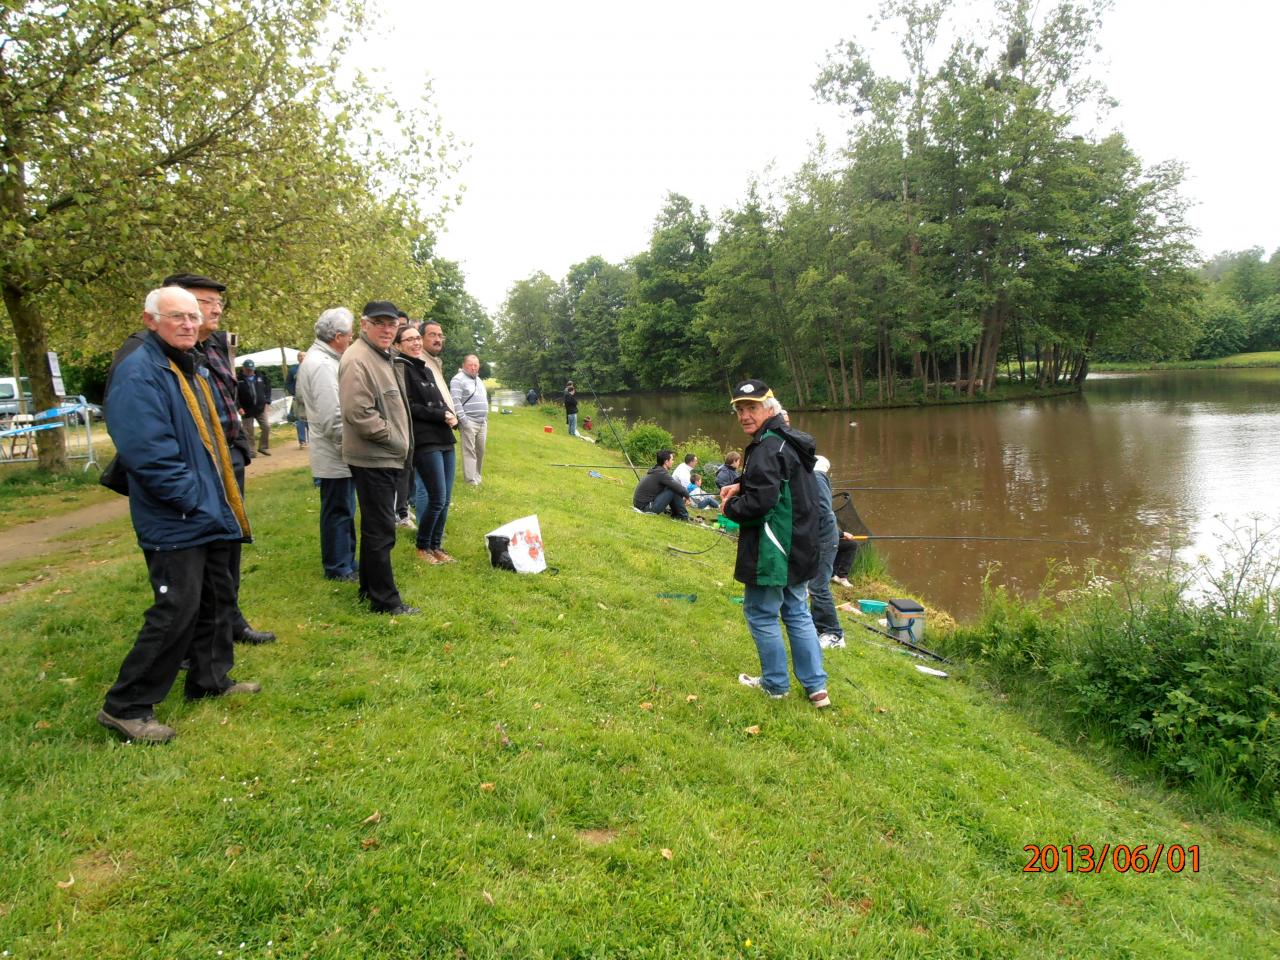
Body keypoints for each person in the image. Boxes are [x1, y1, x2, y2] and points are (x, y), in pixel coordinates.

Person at [97, 286, 260, 743]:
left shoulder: (192, 366)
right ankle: (126, 705)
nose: (189, 324)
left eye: (193, 316)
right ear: (151, 321)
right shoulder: (140, 373)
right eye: (176, 317)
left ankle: (209, 680)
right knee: (176, 609)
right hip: (178, 516)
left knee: (214, 599)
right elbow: (149, 456)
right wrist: (194, 500)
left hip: (209, 509)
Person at [164, 271, 275, 646]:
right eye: (203, 302)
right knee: (196, 557)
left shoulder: (213, 347)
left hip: (228, 458)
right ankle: (191, 638)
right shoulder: (170, 353)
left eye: (217, 303)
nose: (213, 310)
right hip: (195, 466)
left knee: (228, 546)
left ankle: (230, 621)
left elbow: (230, 401)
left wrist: (241, 448)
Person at [719, 379, 829, 708]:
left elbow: (761, 504)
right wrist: (741, 484)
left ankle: (775, 685)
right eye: (740, 409)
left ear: (769, 408)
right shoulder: (786, 440)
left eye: (751, 408)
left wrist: (729, 507)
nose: (744, 415)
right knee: (796, 611)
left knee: (760, 613)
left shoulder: (767, 447)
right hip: (800, 545)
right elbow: (779, 482)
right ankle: (816, 688)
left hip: (774, 550)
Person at [338, 300, 418, 615]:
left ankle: (368, 589)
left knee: (375, 526)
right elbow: (358, 413)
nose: (387, 329)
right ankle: (385, 602)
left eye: (392, 324)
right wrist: (395, 441)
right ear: (364, 324)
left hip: (383, 457)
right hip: (375, 457)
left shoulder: (381, 356)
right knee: (382, 530)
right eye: (380, 322)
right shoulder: (358, 359)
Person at [296, 308, 357, 582]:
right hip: (335, 454)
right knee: (337, 510)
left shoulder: (325, 359)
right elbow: (332, 416)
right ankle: (338, 567)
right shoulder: (321, 364)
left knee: (344, 508)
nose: (352, 339)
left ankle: (346, 561)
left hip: (337, 453)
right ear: (337, 336)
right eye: (350, 335)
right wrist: (351, 448)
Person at [398, 321, 459, 563]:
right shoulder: (400, 369)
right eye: (409, 339)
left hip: (444, 436)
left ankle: (437, 546)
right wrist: (439, 414)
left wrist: (452, 416)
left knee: (444, 499)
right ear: (398, 345)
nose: (415, 343)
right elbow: (408, 406)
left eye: (416, 339)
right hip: (425, 440)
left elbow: (439, 400)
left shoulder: (426, 368)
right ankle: (423, 547)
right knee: (435, 496)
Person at [809, 456, 846, 649]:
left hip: (822, 540)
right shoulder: (814, 477)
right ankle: (818, 627)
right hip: (817, 538)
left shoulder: (816, 477)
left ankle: (833, 633)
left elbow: (822, 511)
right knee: (811, 584)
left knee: (818, 586)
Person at [450, 354, 488, 485]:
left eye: (475, 365)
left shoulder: (478, 379)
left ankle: (477, 476)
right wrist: (464, 421)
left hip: (482, 422)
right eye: (470, 365)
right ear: (464, 365)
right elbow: (456, 401)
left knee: (480, 451)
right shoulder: (457, 379)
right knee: (469, 451)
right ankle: (471, 480)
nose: (473, 367)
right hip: (469, 421)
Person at [632, 450, 693, 520]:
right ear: (666, 462)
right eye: (672, 460)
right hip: (646, 508)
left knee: (672, 488)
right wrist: (687, 497)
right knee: (673, 489)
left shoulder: (657, 470)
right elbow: (678, 487)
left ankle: (678, 514)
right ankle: (683, 516)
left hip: (641, 505)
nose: (673, 462)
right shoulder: (662, 474)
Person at [236, 359, 272, 455]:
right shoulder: (238, 379)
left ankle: (263, 447)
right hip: (246, 409)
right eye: (248, 369)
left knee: (266, 427)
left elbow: (268, 389)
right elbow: (234, 395)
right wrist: (239, 407)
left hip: (260, 408)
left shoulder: (261, 377)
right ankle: (251, 451)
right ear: (243, 368)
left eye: (251, 369)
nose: (250, 371)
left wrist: (267, 402)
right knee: (249, 431)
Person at [286, 351, 308, 447]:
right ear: (297, 358)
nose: (302, 357)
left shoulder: (311, 368)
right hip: (298, 398)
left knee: (311, 420)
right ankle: (302, 441)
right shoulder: (293, 370)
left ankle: (313, 440)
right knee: (300, 419)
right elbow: (288, 383)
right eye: (300, 356)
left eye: (304, 356)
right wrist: (293, 392)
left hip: (310, 398)